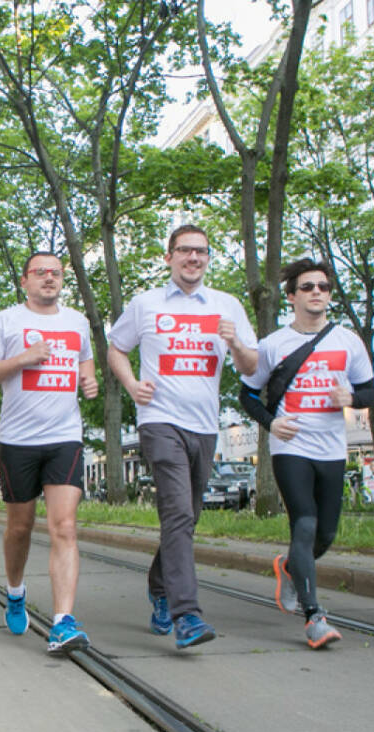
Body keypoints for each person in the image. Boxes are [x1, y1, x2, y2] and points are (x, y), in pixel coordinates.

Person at [107, 225, 258, 648]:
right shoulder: (146, 304)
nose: (193, 258)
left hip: (205, 426)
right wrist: (133, 384)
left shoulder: (226, 306)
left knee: (186, 517)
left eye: (201, 252)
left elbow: (251, 367)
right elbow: (116, 347)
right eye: (185, 251)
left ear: (208, 258)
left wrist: (236, 344)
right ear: (169, 257)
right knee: (176, 514)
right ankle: (186, 615)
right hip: (160, 420)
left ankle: (159, 587)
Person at [240, 258, 374, 649]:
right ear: (291, 296)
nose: (317, 292)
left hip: (332, 446)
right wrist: (271, 422)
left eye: (323, 287)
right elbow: (247, 394)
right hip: (291, 445)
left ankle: (288, 566)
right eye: (307, 287)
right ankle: (314, 615)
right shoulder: (273, 345)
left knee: (326, 534)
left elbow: (370, 392)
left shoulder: (348, 341)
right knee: (304, 523)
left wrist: (351, 397)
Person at [0, 252, 99, 655]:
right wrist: (23, 359)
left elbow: (86, 363)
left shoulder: (77, 323)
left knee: (64, 527)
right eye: (40, 273)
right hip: (17, 440)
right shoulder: (6, 322)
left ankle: (63, 622)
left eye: (56, 273)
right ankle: (14, 590)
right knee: (20, 528)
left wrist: (90, 380)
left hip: (65, 437)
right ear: (25, 280)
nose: (49, 279)